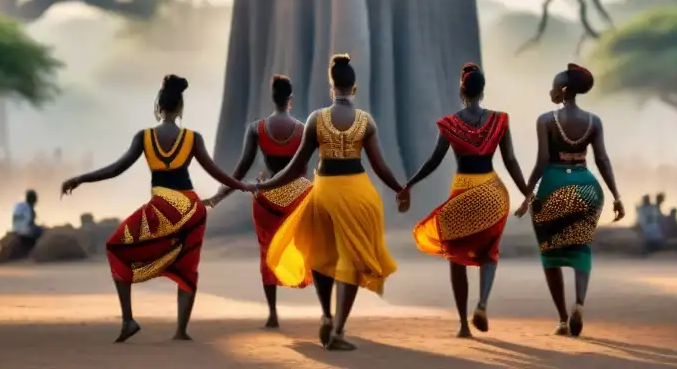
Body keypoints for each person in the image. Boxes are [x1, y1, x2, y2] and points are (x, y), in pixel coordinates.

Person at [60, 74, 253, 343]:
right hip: (189, 208)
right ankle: (181, 331)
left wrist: (81, 178)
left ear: (158, 106)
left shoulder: (145, 137)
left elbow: (116, 169)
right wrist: (245, 187)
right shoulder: (192, 138)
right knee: (187, 265)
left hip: (162, 207)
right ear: (180, 107)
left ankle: (128, 320)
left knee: (117, 247)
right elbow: (217, 173)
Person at [253, 54, 404, 352]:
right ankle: (338, 330)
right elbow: (380, 166)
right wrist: (400, 189)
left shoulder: (316, 119)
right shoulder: (365, 121)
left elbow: (297, 168)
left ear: (331, 86)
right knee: (353, 259)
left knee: (320, 255)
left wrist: (265, 184)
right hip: (359, 195)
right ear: (354, 88)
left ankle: (325, 314)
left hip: (323, 194)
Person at [398, 62, 530, 337]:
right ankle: (481, 304)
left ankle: (462, 325)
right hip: (493, 194)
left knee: (456, 258)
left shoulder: (450, 124)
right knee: (489, 253)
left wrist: (409, 184)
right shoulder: (500, 121)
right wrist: (527, 192)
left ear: (462, 90)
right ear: (483, 91)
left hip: (463, 195)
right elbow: (511, 161)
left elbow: (434, 161)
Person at [515, 63, 625, 338]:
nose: (550, 90)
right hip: (586, 186)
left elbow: (542, 161)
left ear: (562, 90)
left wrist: (528, 195)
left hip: (553, 184)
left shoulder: (545, 121)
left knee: (550, 254)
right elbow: (602, 160)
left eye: (553, 86)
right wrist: (616, 196)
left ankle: (563, 319)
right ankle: (579, 303)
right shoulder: (594, 121)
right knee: (581, 249)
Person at [206, 74, 314, 328]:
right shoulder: (303, 129)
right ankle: (325, 311)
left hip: (266, 198)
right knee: (309, 246)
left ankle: (273, 314)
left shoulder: (257, 128)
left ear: (272, 97)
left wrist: (219, 196)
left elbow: (242, 168)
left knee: (267, 253)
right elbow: (303, 168)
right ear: (290, 98)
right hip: (298, 195)